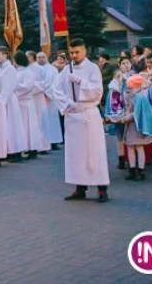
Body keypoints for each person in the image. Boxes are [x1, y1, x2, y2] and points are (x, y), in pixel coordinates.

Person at [48, 38, 110, 203]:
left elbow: (98, 91)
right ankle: (80, 187)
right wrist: (68, 104)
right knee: (76, 154)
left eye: (77, 52)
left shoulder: (93, 68)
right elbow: (56, 88)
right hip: (73, 114)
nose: (74, 55)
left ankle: (102, 189)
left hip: (88, 114)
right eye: (72, 52)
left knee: (94, 152)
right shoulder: (66, 70)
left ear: (84, 51)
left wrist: (81, 82)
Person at [116, 75, 152, 180]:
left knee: (138, 147)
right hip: (133, 126)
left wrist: (124, 119)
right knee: (131, 147)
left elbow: (137, 113)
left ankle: (140, 170)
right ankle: (133, 169)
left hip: (137, 126)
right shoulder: (135, 95)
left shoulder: (139, 97)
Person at [0, 47, 27, 162]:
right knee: (6, 127)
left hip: (8, 100)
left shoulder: (9, 68)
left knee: (13, 127)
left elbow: (8, 86)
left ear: (5, 55)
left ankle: (16, 151)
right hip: (3, 99)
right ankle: (8, 151)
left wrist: (2, 101)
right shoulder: (1, 68)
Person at [17, 51, 47, 159]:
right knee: (23, 128)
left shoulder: (29, 72)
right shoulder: (18, 71)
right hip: (19, 102)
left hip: (27, 101)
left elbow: (28, 86)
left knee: (30, 127)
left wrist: (14, 89)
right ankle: (24, 147)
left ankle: (32, 148)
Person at [106, 57, 130, 169]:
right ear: (120, 65)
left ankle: (131, 159)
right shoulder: (115, 82)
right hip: (120, 111)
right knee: (120, 136)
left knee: (131, 135)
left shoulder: (133, 77)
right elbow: (113, 98)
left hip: (130, 111)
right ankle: (121, 157)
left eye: (128, 63)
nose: (126, 65)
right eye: (123, 63)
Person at [38, 52, 63, 149]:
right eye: (39, 57)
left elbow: (55, 83)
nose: (41, 59)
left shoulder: (52, 69)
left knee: (52, 121)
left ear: (46, 58)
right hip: (40, 97)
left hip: (50, 98)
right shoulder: (35, 69)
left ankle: (54, 142)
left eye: (42, 57)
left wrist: (48, 94)